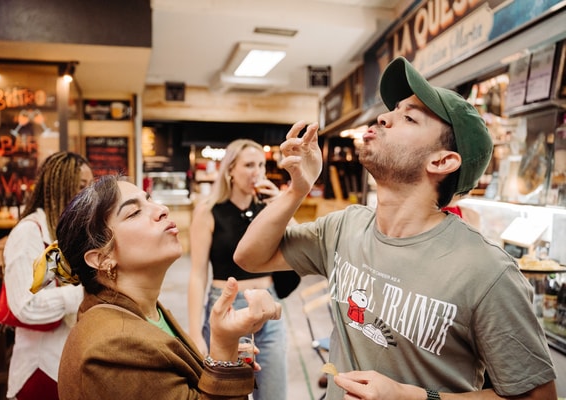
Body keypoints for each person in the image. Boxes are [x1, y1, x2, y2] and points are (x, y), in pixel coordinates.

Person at [234, 56, 558, 399]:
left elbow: (539, 397)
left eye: (409, 117)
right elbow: (250, 257)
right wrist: (298, 188)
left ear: (442, 161)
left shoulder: (487, 271)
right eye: (393, 110)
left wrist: (412, 397)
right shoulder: (345, 227)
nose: (383, 117)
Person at [49, 175, 281, 399]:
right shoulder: (113, 347)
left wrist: (226, 357)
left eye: (149, 199)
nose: (162, 209)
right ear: (102, 258)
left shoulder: (145, 312)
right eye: (134, 212)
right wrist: (223, 346)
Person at [188, 139, 288, 400]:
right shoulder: (209, 211)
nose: (257, 172)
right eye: (249, 165)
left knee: (274, 394)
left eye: (261, 165)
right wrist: (194, 332)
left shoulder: (268, 208)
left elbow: (303, 242)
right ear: (230, 169)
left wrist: (282, 204)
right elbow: (198, 274)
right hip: (228, 307)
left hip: (268, 306)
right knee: (226, 394)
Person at [2, 151, 93, 400]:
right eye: (80, 187)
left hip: (69, 361)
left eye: (90, 186)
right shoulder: (29, 233)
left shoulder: (66, 231)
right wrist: (85, 292)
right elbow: (26, 306)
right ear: (58, 187)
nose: (88, 195)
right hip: (42, 368)